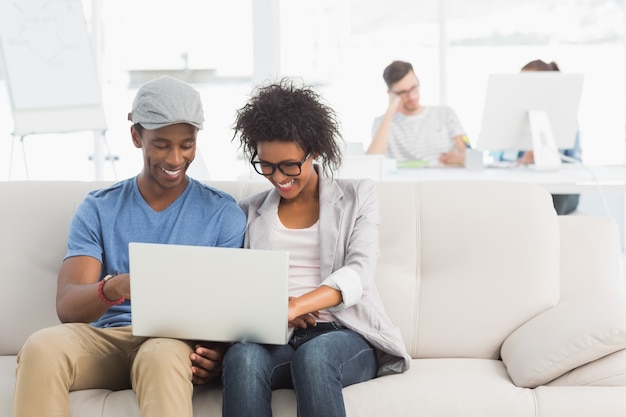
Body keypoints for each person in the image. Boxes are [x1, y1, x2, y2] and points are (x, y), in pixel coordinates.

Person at [12, 76, 247, 417]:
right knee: (41, 347)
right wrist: (116, 286)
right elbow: (68, 307)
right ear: (137, 136)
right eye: (162, 144)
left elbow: (232, 307)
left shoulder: (222, 213)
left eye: (187, 145)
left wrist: (220, 351)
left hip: (173, 345)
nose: (176, 158)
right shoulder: (99, 208)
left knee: (161, 355)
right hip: (109, 340)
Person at [217, 80, 410, 417]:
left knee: (314, 356)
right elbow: (235, 285)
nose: (278, 177)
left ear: (316, 150)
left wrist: (294, 306)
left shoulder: (357, 196)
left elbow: (359, 272)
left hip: (343, 333)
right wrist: (277, 312)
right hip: (275, 336)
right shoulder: (249, 211)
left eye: (290, 164)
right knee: (242, 356)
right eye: (266, 165)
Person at [499, 59, 582, 215]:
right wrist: (521, 160)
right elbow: (500, 158)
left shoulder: (565, 116)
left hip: (560, 192)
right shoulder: (513, 118)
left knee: (546, 204)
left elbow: (575, 164)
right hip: (525, 187)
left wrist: (544, 158)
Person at [367, 60, 469, 165]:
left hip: (444, 178)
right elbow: (371, 163)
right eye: (403, 92)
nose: (412, 96)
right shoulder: (382, 123)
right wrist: (391, 109)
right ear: (391, 94)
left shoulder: (445, 114)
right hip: (405, 180)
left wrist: (460, 158)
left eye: (413, 88)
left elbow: (469, 153)